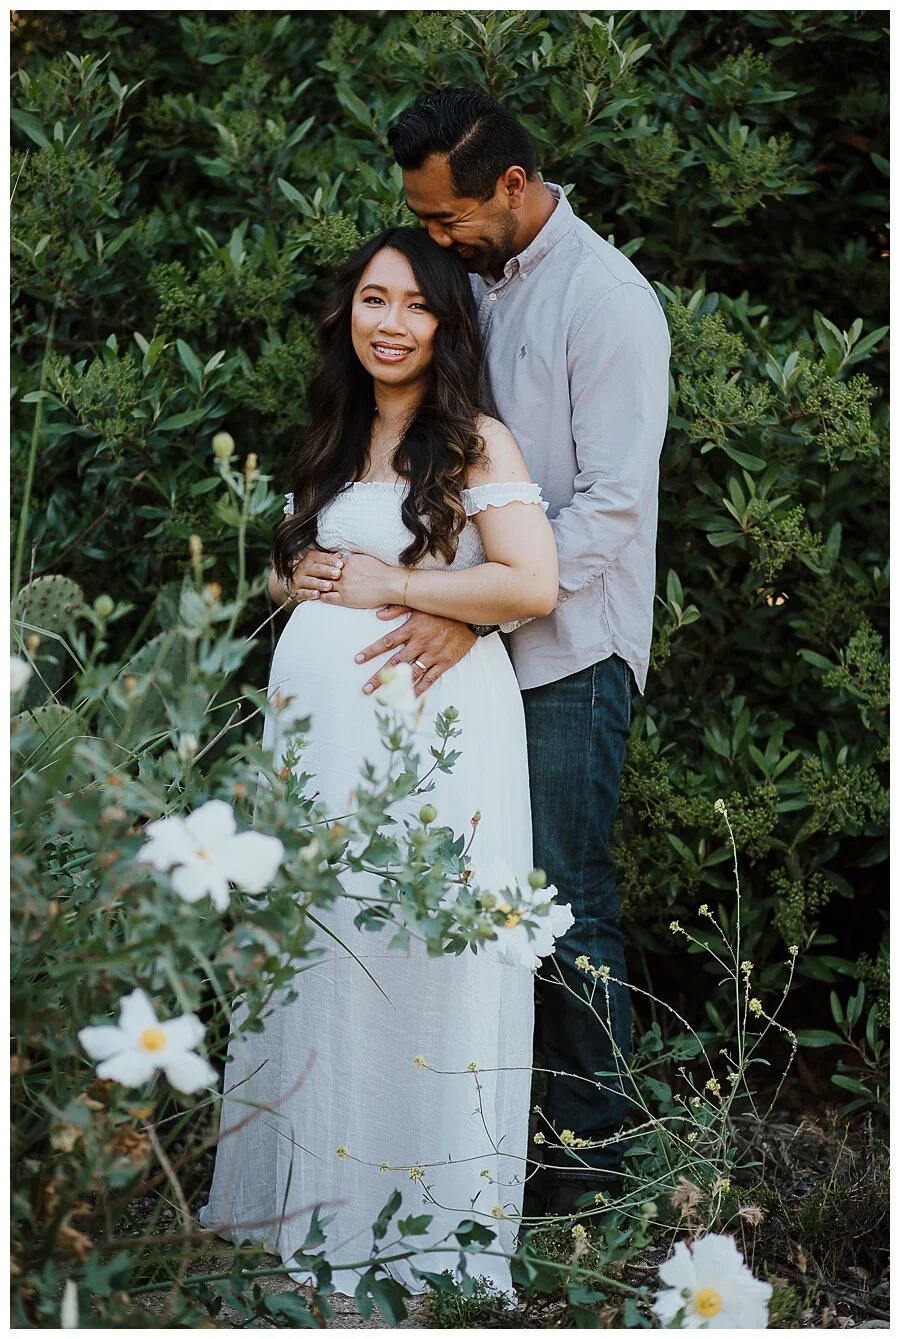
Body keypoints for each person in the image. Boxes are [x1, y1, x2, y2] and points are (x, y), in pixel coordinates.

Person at [289, 89, 671, 1215]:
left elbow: (612, 507)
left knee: (560, 898)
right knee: (469, 899)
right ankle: (467, 1154)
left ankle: (587, 1180)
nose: (435, 237)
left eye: (445, 219)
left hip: (567, 647)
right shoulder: (477, 280)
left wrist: (475, 606)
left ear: (510, 186)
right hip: (464, 653)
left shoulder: (605, 301)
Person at [199, 226, 561, 1296]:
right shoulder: (331, 433)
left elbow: (530, 584)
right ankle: (312, 1211)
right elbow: (291, 574)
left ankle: (425, 1230)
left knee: (421, 950)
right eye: (373, 300)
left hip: (434, 744)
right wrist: (301, 579)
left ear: (446, 324)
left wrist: (396, 587)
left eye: (415, 304)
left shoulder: (475, 441)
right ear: (347, 313)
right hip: (319, 751)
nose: (390, 323)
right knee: (323, 939)